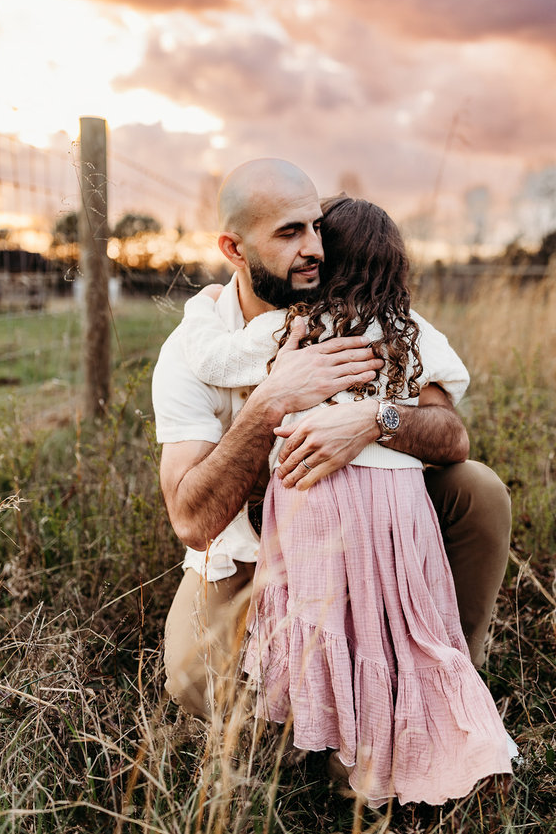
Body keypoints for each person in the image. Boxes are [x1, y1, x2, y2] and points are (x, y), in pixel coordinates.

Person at [177, 195, 513, 806]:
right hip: (391, 514)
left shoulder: (290, 327)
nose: (307, 249)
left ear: (325, 260)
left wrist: (370, 417)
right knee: (396, 627)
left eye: (315, 237)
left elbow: (215, 357)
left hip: (313, 508)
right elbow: (453, 382)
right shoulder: (406, 333)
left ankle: (331, 745)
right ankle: (414, 738)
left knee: (321, 624)